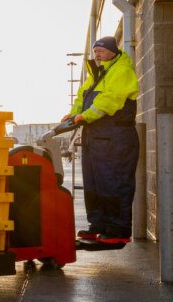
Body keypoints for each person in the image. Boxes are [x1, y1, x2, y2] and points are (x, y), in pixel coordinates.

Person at [62, 36, 139, 244]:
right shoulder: (95, 74)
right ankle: (98, 225)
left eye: (101, 51)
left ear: (113, 51)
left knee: (113, 183)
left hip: (116, 138)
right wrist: (73, 114)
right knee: (94, 184)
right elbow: (81, 98)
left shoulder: (121, 71)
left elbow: (110, 100)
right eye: (95, 51)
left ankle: (117, 230)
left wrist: (85, 116)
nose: (97, 54)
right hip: (95, 138)